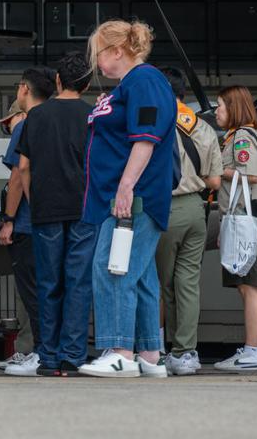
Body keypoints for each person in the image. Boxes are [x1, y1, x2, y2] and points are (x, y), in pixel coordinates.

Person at [78, 20, 177, 378]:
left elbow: (145, 138)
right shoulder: (133, 85)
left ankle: (120, 350)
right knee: (140, 274)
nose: (96, 62)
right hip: (125, 195)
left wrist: (125, 187)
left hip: (132, 198)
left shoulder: (145, 82)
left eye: (99, 53)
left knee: (112, 267)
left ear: (117, 51)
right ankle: (149, 354)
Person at [17, 55, 95, 377]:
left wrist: (36, 201)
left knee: (49, 282)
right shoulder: (93, 115)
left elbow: (23, 166)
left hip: (46, 210)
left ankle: (48, 356)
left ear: (59, 81)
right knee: (79, 282)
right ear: (87, 84)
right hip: (84, 210)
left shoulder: (36, 116)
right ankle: (73, 355)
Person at [156, 68, 223, 375]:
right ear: (183, 92)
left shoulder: (155, 120)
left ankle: (158, 349)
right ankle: (186, 353)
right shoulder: (204, 128)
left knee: (158, 282)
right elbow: (214, 181)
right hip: (197, 210)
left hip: (163, 209)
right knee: (188, 283)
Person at [212, 85, 257, 372]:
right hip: (252, 224)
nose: (216, 111)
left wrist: (216, 171)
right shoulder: (246, 135)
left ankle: (252, 351)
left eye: (220, 106)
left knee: (248, 287)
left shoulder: (240, 138)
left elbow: (249, 175)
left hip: (244, 222)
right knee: (255, 288)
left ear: (234, 108)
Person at [0, 93, 45, 377]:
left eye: (9, 123)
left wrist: (8, 220)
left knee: (32, 294)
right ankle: (44, 349)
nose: (8, 130)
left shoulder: (23, 128)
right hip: (54, 224)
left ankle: (37, 351)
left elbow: (18, 175)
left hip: (27, 224)